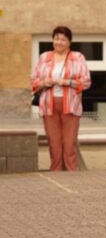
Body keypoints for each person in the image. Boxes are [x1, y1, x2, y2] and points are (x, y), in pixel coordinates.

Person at [31, 25, 91, 171]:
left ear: (69, 42)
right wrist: (44, 82)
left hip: (70, 105)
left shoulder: (77, 57)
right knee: (54, 143)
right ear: (53, 40)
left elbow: (86, 82)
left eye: (63, 39)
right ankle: (56, 171)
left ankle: (71, 172)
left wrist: (67, 82)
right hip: (49, 105)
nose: (59, 42)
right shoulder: (44, 57)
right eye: (56, 38)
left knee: (69, 143)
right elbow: (33, 81)